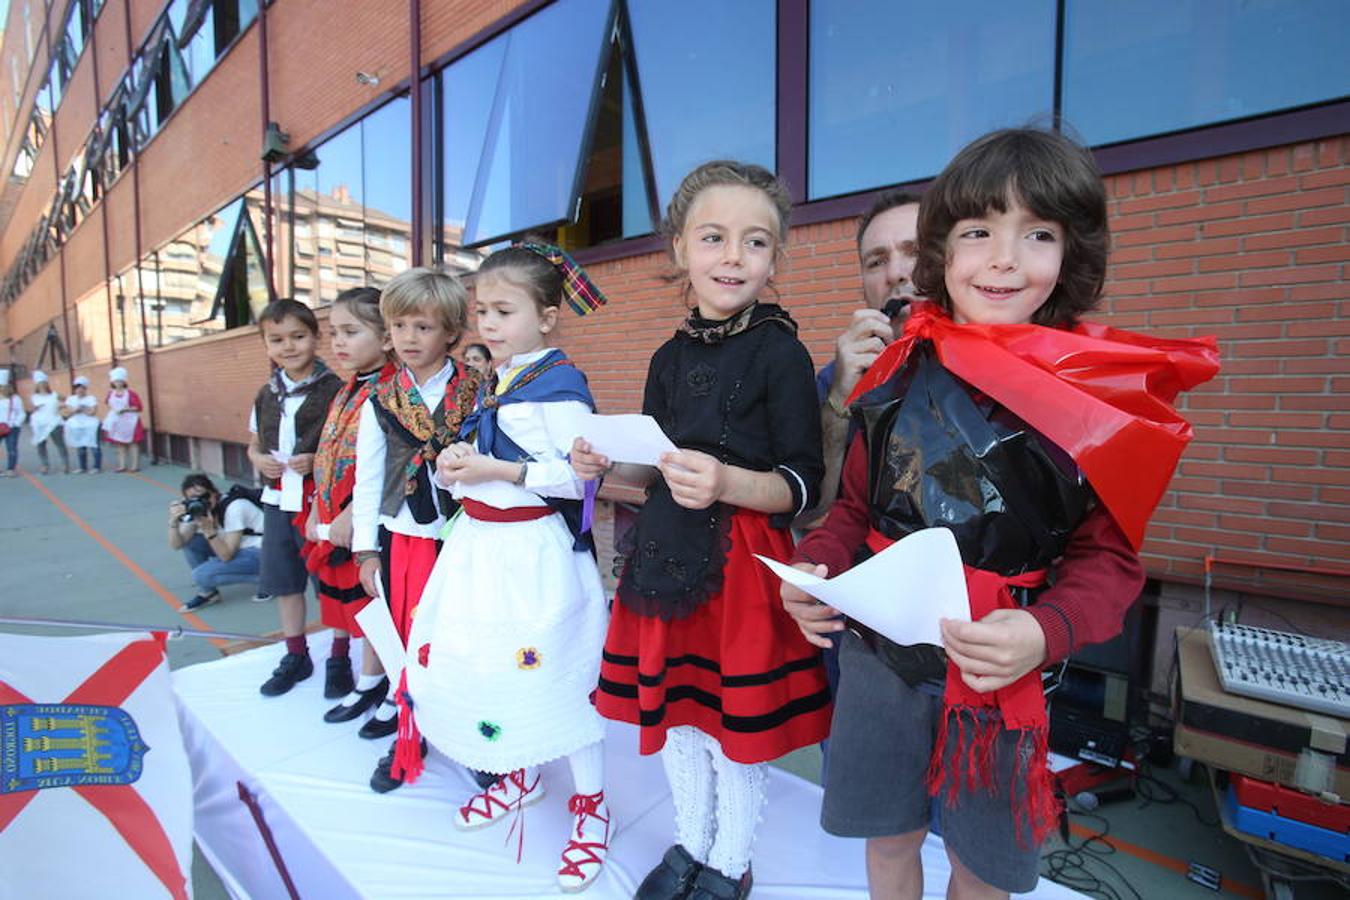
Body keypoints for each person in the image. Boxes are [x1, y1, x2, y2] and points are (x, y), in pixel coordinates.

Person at [784, 128, 1219, 899]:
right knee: (889, 841)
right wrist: (817, 566)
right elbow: (851, 509)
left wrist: (1045, 631)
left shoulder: (1097, 397)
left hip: (997, 668)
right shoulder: (897, 366)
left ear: (1071, 253)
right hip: (879, 659)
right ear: (940, 252)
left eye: (1038, 234)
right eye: (978, 231)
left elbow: (1109, 560)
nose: (1003, 258)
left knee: (980, 870)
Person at [574, 161, 829, 900]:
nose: (733, 257)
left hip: (741, 569)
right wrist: (604, 463)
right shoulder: (665, 357)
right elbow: (654, 473)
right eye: (714, 237)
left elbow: (802, 486)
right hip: (663, 561)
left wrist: (727, 482)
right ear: (680, 248)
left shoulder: (781, 351)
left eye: (755, 243)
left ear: (774, 259)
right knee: (681, 719)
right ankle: (689, 842)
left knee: (731, 730)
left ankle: (731, 860)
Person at [402, 243, 611, 893]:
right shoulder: (501, 378)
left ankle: (592, 807)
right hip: (482, 555)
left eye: (503, 310)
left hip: (533, 561)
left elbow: (579, 482)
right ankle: (516, 775)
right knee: (492, 667)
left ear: (548, 316)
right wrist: (460, 467)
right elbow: (494, 468)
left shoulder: (559, 388)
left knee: (559, 679)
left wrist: (493, 469)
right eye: (481, 311)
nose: (487, 324)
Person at [350, 266, 483, 792]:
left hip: (467, 532)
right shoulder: (381, 400)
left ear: (451, 332)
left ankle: (473, 736)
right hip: (404, 536)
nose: (409, 338)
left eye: (423, 327)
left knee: (464, 636)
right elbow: (366, 478)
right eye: (400, 326)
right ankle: (410, 734)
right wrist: (365, 551)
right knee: (411, 639)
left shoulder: (476, 391)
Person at [296, 287, 399, 726]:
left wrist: (349, 512)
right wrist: (320, 505)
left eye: (351, 332)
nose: (339, 342)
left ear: (385, 336)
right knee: (358, 604)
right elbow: (328, 452)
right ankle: (370, 679)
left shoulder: (393, 390)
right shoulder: (347, 389)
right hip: (336, 512)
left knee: (378, 602)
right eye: (334, 332)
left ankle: (386, 682)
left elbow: (394, 464)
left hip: (374, 520)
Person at [247, 299, 344, 697]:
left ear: (316, 338)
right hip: (276, 501)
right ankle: (296, 653)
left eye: (298, 337)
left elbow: (348, 447)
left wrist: (318, 459)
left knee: (332, 581)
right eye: (277, 339)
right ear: (267, 345)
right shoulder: (265, 393)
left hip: (319, 503)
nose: (288, 347)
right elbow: (254, 443)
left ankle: (340, 653)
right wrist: (257, 459)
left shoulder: (336, 390)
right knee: (285, 581)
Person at [811, 190, 920, 518]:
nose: (896, 274)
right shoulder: (836, 376)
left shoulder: (996, 360)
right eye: (877, 261)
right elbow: (814, 510)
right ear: (862, 283)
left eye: (915, 251)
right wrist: (842, 396)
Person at [168, 473, 265, 611]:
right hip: (239, 549)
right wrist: (173, 522)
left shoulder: (234, 507)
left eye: (204, 497)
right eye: (193, 499)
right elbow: (177, 544)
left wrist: (208, 530)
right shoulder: (197, 509)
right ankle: (208, 593)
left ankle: (270, 580)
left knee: (201, 575)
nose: (201, 502)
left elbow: (227, 555)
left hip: (263, 551)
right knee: (192, 542)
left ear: (214, 493)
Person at [26, 371, 70, 475]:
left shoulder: (54, 395)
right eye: (39, 383)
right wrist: (34, 408)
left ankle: (65, 465)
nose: (41, 385)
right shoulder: (33, 397)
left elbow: (68, 400)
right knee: (41, 445)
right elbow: (31, 409)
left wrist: (61, 406)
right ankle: (45, 465)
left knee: (59, 444)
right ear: (36, 384)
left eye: (43, 382)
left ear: (46, 383)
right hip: (39, 423)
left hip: (54, 422)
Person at [102, 366, 145, 472]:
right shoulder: (110, 394)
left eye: (120, 381)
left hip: (130, 421)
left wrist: (127, 409)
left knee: (133, 443)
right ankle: (122, 465)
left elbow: (139, 407)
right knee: (120, 443)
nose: (118, 383)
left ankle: (135, 466)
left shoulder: (131, 394)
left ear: (124, 381)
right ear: (113, 382)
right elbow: (109, 404)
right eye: (116, 381)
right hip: (117, 420)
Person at [62, 376, 102, 473]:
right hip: (77, 425)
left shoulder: (91, 398)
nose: (79, 390)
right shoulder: (71, 399)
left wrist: (83, 408)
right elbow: (67, 412)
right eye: (77, 388)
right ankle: (82, 467)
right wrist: (76, 409)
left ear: (85, 388)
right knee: (80, 446)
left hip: (90, 425)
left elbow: (92, 412)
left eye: (82, 388)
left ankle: (96, 466)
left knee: (94, 446)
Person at [1, 371, 22, 476]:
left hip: (11, 427)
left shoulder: (15, 399)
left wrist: (15, 423)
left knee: (11, 448)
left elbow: (21, 413)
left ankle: (11, 469)